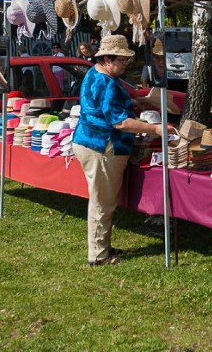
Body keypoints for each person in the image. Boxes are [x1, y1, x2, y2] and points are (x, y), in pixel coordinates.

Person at [72, 35, 177, 266]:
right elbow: (119, 122)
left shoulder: (97, 73)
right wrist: (155, 128)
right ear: (108, 59)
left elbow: (109, 108)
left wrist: (137, 105)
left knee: (102, 200)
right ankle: (98, 255)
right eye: (122, 60)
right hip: (102, 146)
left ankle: (103, 247)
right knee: (102, 202)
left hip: (91, 142)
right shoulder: (106, 82)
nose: (126, 64)